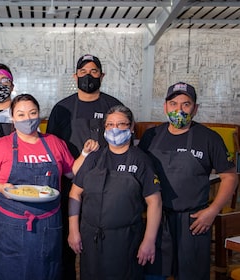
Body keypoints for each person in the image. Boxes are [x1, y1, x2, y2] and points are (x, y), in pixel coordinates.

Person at [0, 94, 98, 280]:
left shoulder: (54, 143)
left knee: (46, 270)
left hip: (47, 224)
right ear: (13, 118)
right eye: (21, 114)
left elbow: (71, 172)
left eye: (32, 113)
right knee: (7, 271)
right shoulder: (0, 146)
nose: (28, 119)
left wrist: (85, 153)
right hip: (9, 225)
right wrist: (0, 187)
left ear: (39, 115)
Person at [138, 82, 238, 280]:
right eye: (173, 104)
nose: (179, 109)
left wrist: (212, 210)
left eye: (186, 104)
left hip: (194, 221)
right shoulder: (151, 136)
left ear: (195, 108)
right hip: (157, 219)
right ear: (165, 107)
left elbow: (230, 177)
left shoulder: (209, 138)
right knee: (154, 273)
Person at [46, 54, 124, 279]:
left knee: (99, 245)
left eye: (93, 72)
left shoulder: (114, 107)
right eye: (83, 72)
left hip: (104, 187)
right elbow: (52, 148)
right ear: (75, 76)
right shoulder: (62, 108)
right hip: (68, 185)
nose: (88, 76)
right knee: (65, 248)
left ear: (102, 76)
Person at [68, 105, 162, 279]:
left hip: (125, 240)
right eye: (110, 125)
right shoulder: (94, 159)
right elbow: (75, 193)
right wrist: (73, 230)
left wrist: (149, 241)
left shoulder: (141, 161)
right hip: (91, 238)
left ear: (131, 127)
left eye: (121, 124)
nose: (115, 129)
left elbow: (154, 202)